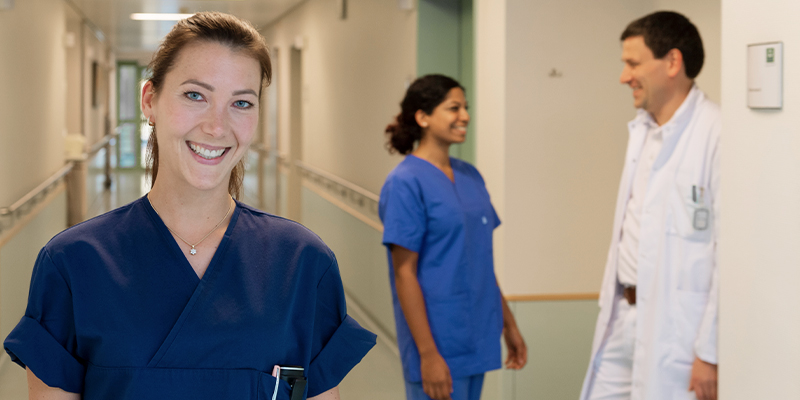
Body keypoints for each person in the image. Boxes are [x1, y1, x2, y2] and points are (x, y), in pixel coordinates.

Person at [3, 12, 375, 400]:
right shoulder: (73, 264)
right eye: (195, 95)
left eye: (242, 103)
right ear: (150, 100)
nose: (217, 126)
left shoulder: (302, 263)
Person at [580, 11, 720, 400]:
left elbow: (730, 255)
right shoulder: (642, 131)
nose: (624, 76)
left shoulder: (717, 133)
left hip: (677, 333)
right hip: (622, 318)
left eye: (632, 63)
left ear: (672, 62)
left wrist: (710, 352)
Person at [379, 74, 527, 400]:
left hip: (477, 334)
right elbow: (404, 274)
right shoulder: (404, 182)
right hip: (438, 341)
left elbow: (480, 261)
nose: (465, 116)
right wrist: (428, 354)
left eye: (466, 107)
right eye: (454, 108)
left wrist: (509, 325)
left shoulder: (470, 176)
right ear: (423, 117)